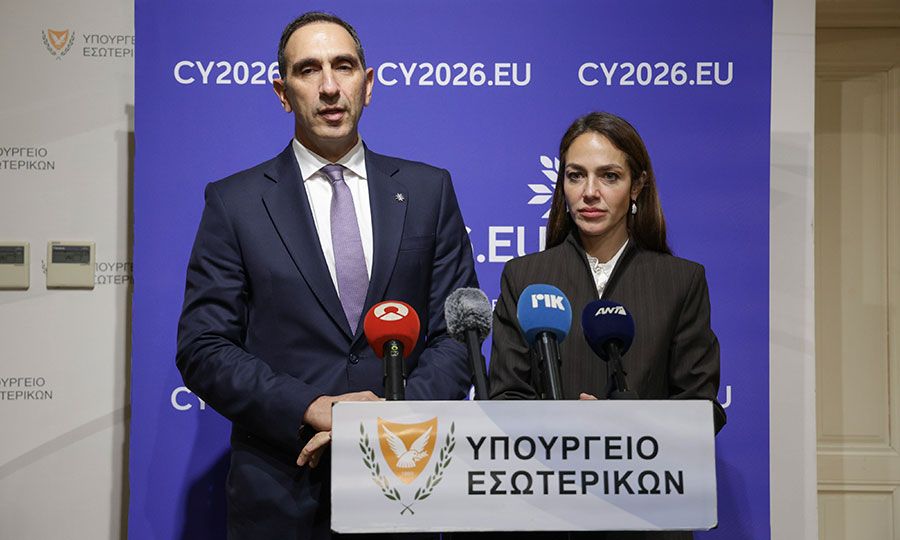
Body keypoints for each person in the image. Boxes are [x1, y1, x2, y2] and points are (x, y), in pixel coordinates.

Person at [176, 11, 477, 539]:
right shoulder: (235, 203)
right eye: (308, 69)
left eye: (344, 66)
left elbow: (458, 335)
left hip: (402, 477)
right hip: (282, 489)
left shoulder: (429, 191)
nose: (330, 86)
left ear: (368, 83)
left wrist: (388, 422)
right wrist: (312, 407)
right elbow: (203, 346)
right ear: (282, 92)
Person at [488, 111, 725, 540]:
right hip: (546, 511)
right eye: (576, 176)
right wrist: (568, 432)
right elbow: (505, 398)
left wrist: (626, 428)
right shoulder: (524, 277)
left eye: (609, 176)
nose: (590, 193)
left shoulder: (681, 281)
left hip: (647, 514)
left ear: (637, 186)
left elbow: (701, 409)